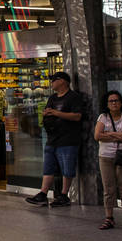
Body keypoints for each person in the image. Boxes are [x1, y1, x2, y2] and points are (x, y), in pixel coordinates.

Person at [24, 72, 87, 207]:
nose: (51, 82)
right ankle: (43, 193)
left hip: (68, 139)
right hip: (52, 138)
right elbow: (48, 111)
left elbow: (77, 116)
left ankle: (64, 195)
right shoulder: (52, 98)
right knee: (48, 167)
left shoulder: (73, 97)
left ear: (63, 81)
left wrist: (56, 113)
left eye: (54, 80)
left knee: (67, 168)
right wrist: (47, 113)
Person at [95, 90, 122, 230]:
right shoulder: (103, 117)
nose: (114, 103)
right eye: (111, 101)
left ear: (121, 103)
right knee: (108, 188)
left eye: (117, 100)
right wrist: (121, 135)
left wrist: (110, 134)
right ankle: (109, 218)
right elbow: (98, 136)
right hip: (106, 157)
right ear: (107, 104)